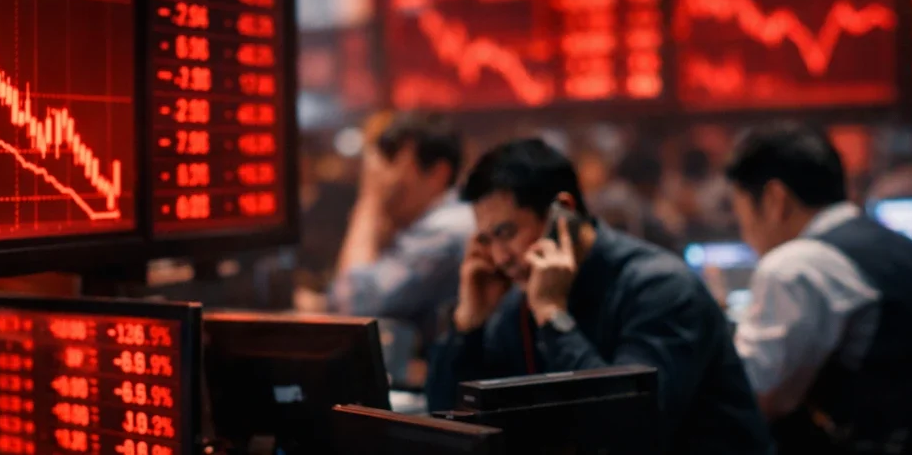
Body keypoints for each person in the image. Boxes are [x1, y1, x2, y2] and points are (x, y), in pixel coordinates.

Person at [427, 139, 771, 454]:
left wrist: (553, 315)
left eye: (507, 233)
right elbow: (448, 428)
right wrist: (468, 325)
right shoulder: (518, 300)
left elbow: (625, 431)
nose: (500, 257)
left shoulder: (661, 288)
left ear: (562, 212)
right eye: (486, 240)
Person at [727, 122, 912, 452]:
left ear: (774, 199)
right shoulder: (904, 246)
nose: (745, 236)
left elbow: (754, 395)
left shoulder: (795, 265)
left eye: (741, 216)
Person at [326, 111, 474, 343]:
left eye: (392, 160)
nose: (383, 177)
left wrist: (369, 199)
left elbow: (353, 308)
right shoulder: (436, 223)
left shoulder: (446, 230)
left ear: (437, 173)